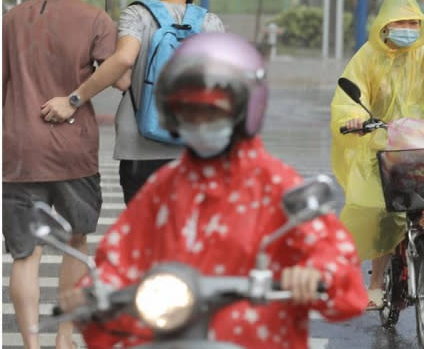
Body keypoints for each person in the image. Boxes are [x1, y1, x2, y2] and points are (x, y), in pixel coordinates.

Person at [58, 33, 368, 348]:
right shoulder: (164, 189)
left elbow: (340, 270)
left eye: (212, 112)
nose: (200, 122)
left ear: (244, 110)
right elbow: (119, 260)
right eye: (189, 111)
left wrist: (315, 274)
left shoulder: (277, 186)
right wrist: (97, 293)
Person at [40, 0, 226, 204]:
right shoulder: (210, 22)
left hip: (140, 146)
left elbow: (124, 65)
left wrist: (74, 100)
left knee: (144, 235)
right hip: (195, 147)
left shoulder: (137, 14)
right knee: (187, 234)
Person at [2, 0, 115, 349]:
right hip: (74, 151)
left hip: (19, 150)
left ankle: (31, 345)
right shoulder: (96, 18)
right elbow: (119, 78)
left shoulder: (11, 19)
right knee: (76, 241)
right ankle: (64, 338)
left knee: (24, 254)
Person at [330, 0, 424, 310]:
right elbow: (351, 97)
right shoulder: (368, 57)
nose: (406, 30)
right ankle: (376, 283)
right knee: (383, 210)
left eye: (411, 23)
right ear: (384, 26)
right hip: (382, 142)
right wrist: (354, 119)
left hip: (423, 138)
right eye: (399, 23)